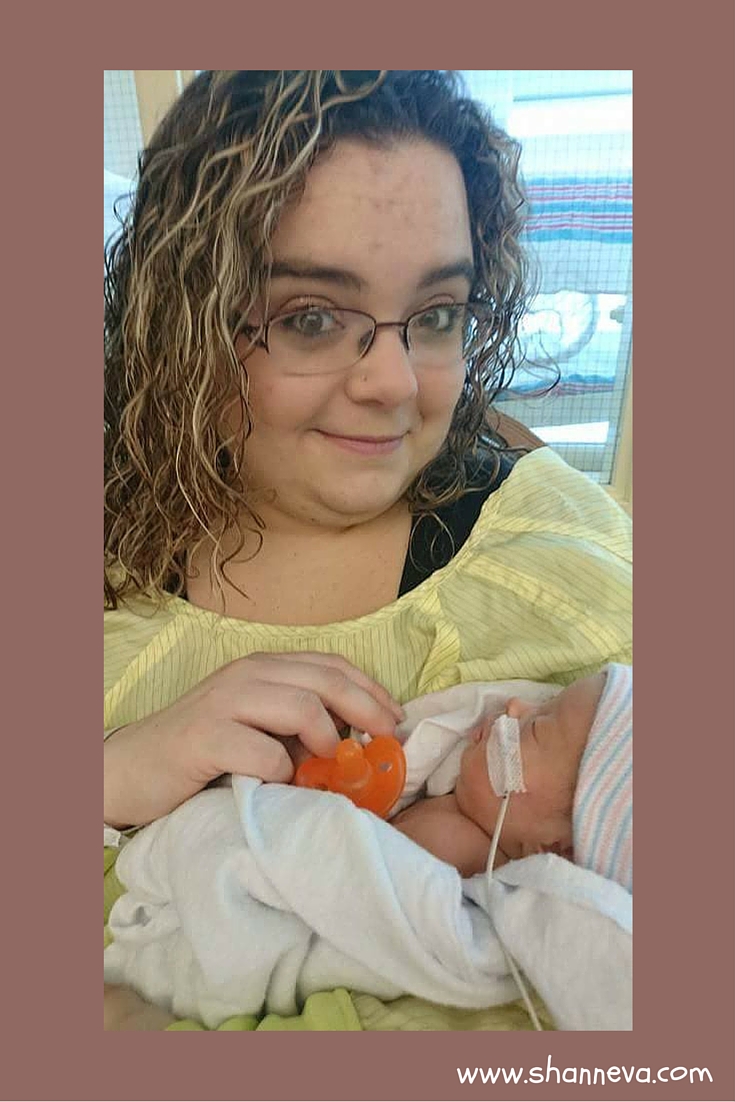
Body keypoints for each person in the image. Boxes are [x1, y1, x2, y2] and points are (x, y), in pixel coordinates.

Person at [104, 70, 632, 1030]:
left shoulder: (559, 568)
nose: (394, 383)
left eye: (436, 316)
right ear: (184, 318)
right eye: (310, 317)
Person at [391, 664, 632, 889]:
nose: (515, 704)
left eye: (535, 727)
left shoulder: (451, 847)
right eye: (546, 701)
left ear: (553, 848)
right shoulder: (471, 813)